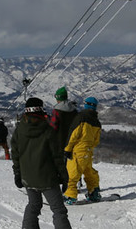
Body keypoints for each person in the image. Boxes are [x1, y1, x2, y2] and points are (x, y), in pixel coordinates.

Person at [11, 97, 71, 229]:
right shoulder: (48, 130)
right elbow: (57, 157)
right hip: (47, 178)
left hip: (28, 178)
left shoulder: (19, 130)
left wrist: (17, 173)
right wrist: (64, 177)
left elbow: (15, 155)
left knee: (33, 205)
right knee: (58, 210)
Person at [63, 97, 102, 205]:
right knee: (89, 172)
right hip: (88, 151)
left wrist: (67, 149)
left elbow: (73, 134)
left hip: (78, 150)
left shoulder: (81, 117)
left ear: (86, 105)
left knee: (72, 173)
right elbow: (96, 141)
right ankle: (94, 193)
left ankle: (70, 196)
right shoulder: (97, 122)